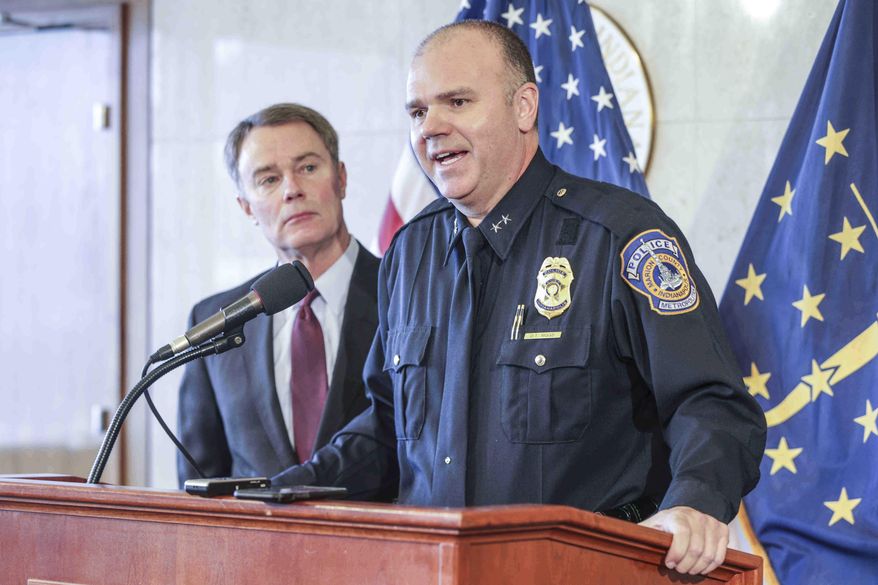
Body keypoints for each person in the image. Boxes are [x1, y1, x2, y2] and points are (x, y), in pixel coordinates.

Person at [273, 22, 767, 576]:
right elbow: (388, 423)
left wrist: (694, 502)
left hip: (582, 573)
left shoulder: (618, 237)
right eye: (417, 112)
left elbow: (712, 402)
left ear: (524, 106)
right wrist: (283, 491)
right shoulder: (409, 253)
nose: (431, 127)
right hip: (430, 569)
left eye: (456, 101)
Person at [177, 104, 393, 499]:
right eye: (269, 179)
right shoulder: (215, 321)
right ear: (246, 208)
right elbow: (199, 488)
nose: (292, 189)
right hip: (255, 556)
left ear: (341, 179)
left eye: (308, 168)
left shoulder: (404, 295)